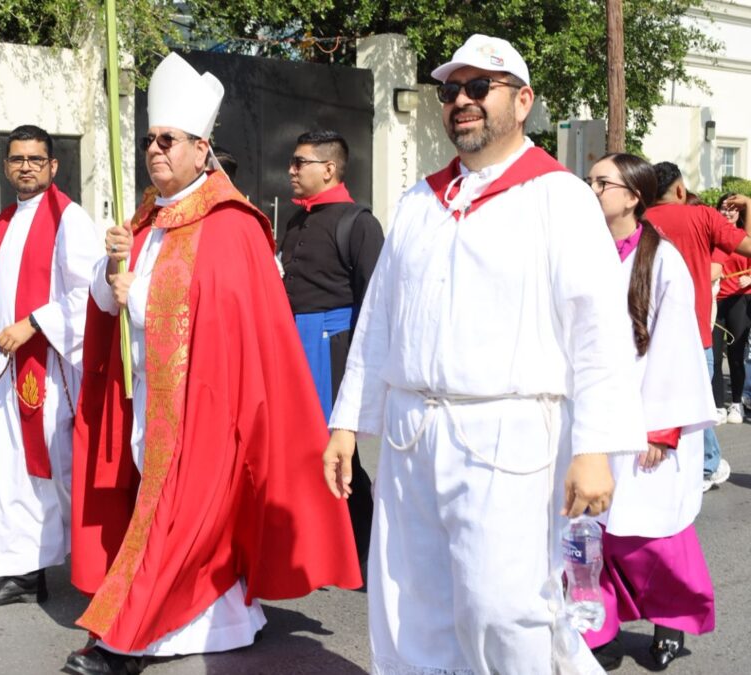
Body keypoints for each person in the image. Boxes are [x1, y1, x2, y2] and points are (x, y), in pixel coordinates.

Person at [322, 34, 647, 674]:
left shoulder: (558, 196)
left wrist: (595, 449)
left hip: (512, 436)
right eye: (450, 91)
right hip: (416, 438)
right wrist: (347, 420)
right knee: (409, 603)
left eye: (479, 88)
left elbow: (598, 329)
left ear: (522, 101)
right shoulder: (420, 201)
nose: (461, 102)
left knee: (507, 610)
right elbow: (381, 318)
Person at [65, 52, 361, 675]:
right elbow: (108, 303)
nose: (154, 150)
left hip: (211, 405)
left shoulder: (231, 225)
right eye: (149, 139)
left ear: (203, 149)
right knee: (189, 527)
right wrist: (111, 270)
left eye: (167, 140)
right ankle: (224, 619)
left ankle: (127, 640)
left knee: (178, 519)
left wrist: (136, 295)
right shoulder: (149, 218)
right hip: (154, 399)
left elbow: (217, 318)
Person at [0, 125, 101, 607]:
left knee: (50, 469)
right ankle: (23, 570)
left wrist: (33, 324)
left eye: (36, 160)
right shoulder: (2, 223)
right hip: (2, 367)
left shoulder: (68, 218)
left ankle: (90, 563)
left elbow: (87, 293)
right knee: (8, 472)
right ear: (7, 164)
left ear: (53, 166)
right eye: (17, 159)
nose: (25, 167)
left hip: (44, 365)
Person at [582, 153, 716, 671]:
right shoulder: (584, 251)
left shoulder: (662, 260)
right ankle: (596, 625)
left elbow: (679, 346)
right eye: (589, 181)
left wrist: (662, 429)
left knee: (652, 538)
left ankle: (672, 623)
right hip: (591, 420)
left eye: (601, 182)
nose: (591, 190)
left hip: (645, 421)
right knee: (591, 535)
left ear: (633, 196)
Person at [278, 129, 383, 568]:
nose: (291, 170)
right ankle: (318, 549)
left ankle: (364, 550)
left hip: (334, 347)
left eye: (300, 162)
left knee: (339, 454)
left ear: (329, 168)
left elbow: (374, 300)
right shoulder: (296, 219)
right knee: (301, 452)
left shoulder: (358, 222)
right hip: (294, 343)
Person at [647, 161, 751, 491]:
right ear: (680, 189)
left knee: (656, 399)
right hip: (693, 328)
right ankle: (706, 464)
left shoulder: (638, 219)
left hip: (646, 328)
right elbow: (746, 245)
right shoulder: (703, 215)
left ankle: (682, 463)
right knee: (697, 399)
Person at [709, 192, 751, 424]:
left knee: (736, 355)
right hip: (716, 298)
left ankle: (736, 403)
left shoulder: (744, 235)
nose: (727, 212)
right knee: (714, 355)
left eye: (733, 208)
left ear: (741, 212)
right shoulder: (713, 234)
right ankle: (717, 406)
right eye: (724, 208)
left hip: (740, 298)